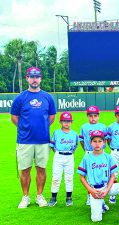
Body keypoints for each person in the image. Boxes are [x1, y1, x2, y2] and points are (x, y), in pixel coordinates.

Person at [10, 67, 56, 208]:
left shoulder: (47, 97)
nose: (34, 79)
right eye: (32, 76)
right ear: (27, 78)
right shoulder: (20, 98)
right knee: (25, 170)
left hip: (43, 140)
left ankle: (39, 196)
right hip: (25, 140)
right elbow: (14, 117)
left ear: (40, 79)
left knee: (41, 169)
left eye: (37, 77)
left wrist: (41, 128)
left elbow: (52, 117)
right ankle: (25, 197)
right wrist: (25, 129)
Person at [77, 130, 119, 224]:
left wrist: (106, 190)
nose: (97, 144)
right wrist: (91, 191)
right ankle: (101, 204)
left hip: (107, 187)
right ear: (90, 143)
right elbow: (82, 177)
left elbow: (112, 176)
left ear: (104, 142)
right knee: (96, 219)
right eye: (95, 141)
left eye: (100, 141)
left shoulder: (108, 157)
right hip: (95, 190)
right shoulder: (87, 158)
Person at [48, 112, 78, 207]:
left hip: (69, 156)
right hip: (58, 156)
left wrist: (69, 153)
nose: (66, 123)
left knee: (69, 178)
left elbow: (75, 145)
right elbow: (52, 146)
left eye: (68, 121)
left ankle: (69, 198)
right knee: (56, 177)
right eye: (64, 121)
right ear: (60, 122)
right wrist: (58, 153)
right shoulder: (56, 133)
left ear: (71, 122)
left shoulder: (74, 134)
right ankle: (53, 198)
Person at [79, 105, 108, 206]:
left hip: (101, 153)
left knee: (101, 175)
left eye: (95, 116)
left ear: (98, 116)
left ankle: (102, 196)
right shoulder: (84, 127)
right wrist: (87, 151)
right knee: (90, 177)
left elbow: (106, 140)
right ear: (87, 116)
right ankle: (90, 196)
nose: (93, 118)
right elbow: (82, 141)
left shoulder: (103, 126)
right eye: (90, 116)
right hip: (89, 153)